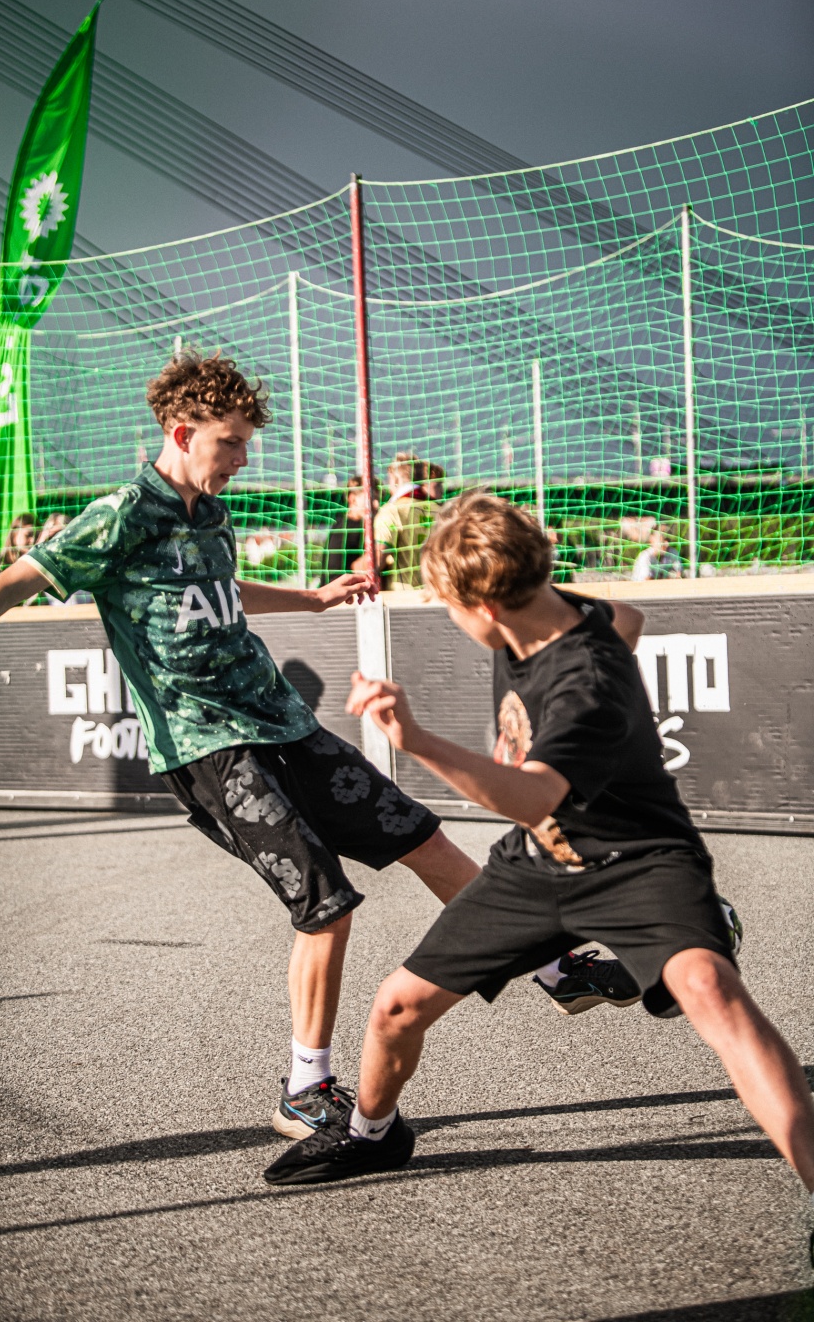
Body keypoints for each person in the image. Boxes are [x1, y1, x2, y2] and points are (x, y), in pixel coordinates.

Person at [0, 348, 484, 1141]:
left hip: (283, 724)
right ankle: (306, 1092)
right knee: (325, 904)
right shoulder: (122, 515)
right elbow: (2, 587)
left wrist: (312, 598)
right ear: (182, 431)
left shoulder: (213, 514)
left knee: (421, 836)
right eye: (230, 443)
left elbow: (223, 590)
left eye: (246, 444)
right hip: (207, 747)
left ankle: (552, 962)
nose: (242, 460)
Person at [264, 491, 814, 1268]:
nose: (451, 618)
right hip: (536, 866)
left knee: (710, 991)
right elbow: (628, 617)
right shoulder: (546, 608)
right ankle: (373, 1134)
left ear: (486, 606)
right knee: (395, 1008)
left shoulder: (586, 682)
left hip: (638, 861)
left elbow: (530, 797)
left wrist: (414, 738)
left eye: (451, 607)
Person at [373, 453, 435, 590]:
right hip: (435, 593)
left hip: (402, 595)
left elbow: (377, 559)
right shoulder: (441, 511)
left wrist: (356, 567)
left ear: (395, 479)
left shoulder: (391, 511)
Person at [323, 475, 377, 585]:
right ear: (353, 499)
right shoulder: (347, 530)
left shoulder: (344, 525)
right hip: (343, 592)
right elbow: (334, 575)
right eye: (371, 499)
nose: (376, 504)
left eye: (377, 499)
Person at [0, 514, 36, 579]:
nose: (33, 540)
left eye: (37, 535)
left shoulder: (36, 562)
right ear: (14, 534)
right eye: (28, 535)